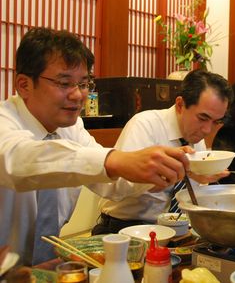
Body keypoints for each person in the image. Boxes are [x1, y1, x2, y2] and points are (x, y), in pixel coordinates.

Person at [0, 28, 190, 265]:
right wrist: (115, 160)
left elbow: (111, 184)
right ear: (24, 84)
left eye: (83, 83)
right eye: (64, 82)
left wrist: (162, 168)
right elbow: (18, 161)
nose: (78, 95)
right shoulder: (5, 123)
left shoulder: (71, 127)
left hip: (47, 267)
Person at [91, 69, 233, 235]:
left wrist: (205, 182)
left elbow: (189, 195)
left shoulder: (196, 139)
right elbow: (116, 188)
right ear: (180, 105)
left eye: (216, 122)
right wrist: (164, 173)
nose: (207, 129)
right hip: (125, 229)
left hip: (175, 230)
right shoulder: (145, 125)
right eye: (202, 118)